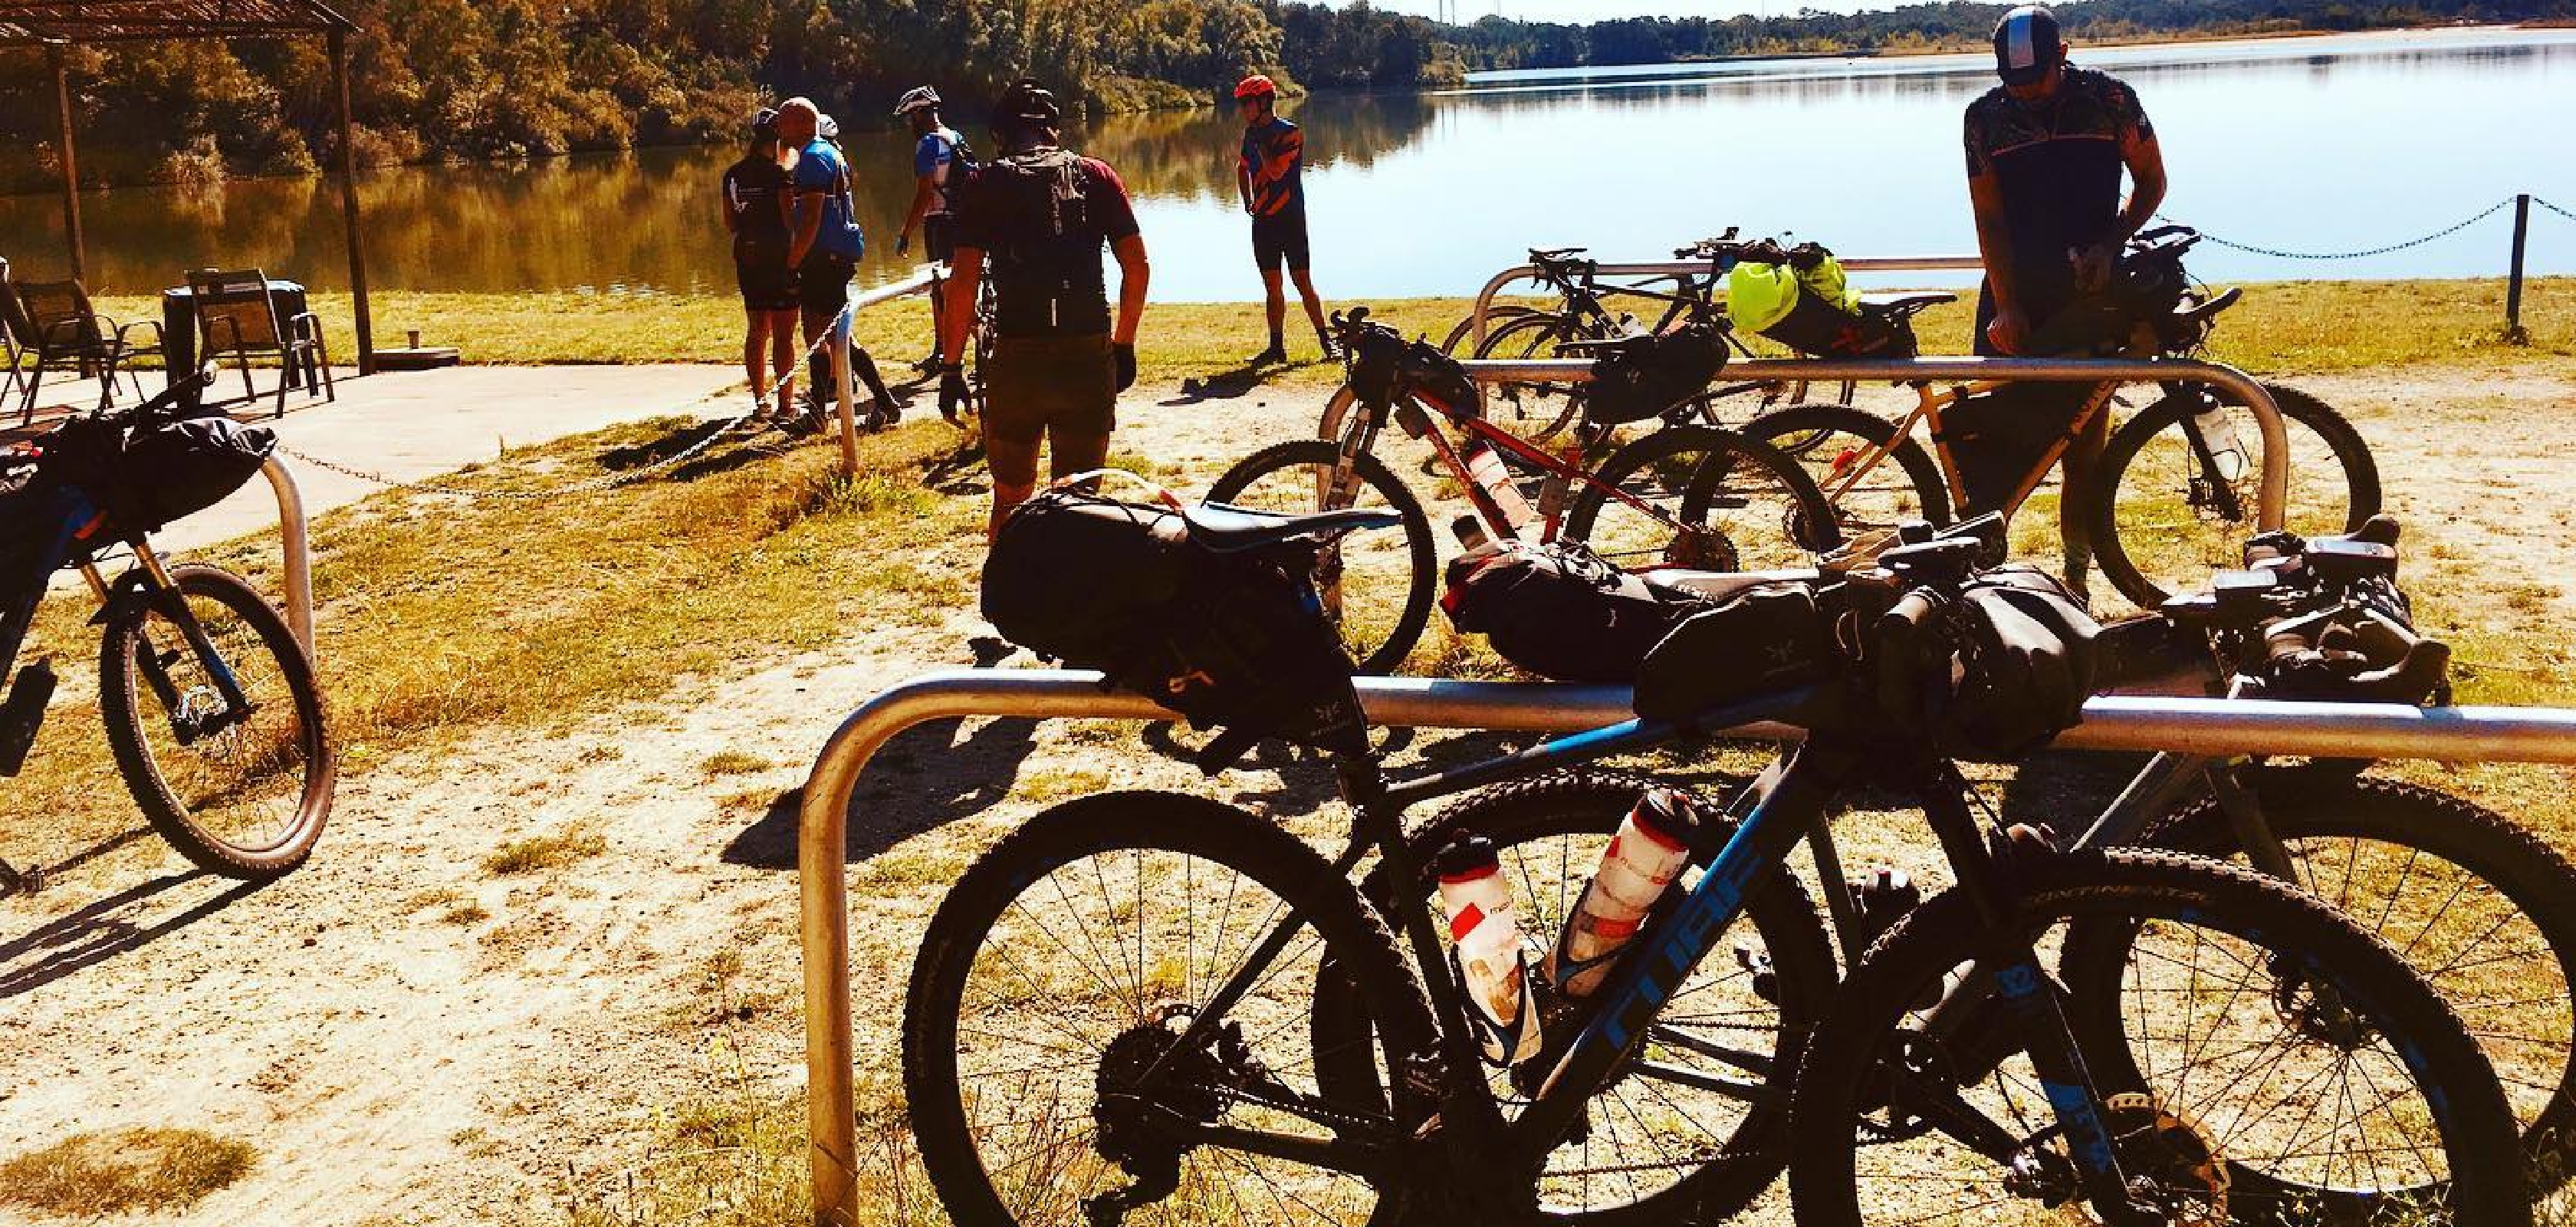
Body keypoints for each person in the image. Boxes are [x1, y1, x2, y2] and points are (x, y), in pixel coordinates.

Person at [1963, 4, 2166, 592]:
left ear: (2065, 54)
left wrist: (2111, 242)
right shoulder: (1983, 119)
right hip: (2014, 298)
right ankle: (1982, 584)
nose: (2027, 94)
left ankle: (2075, 581)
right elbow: (1990, 219)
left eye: (2039, 80)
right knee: (1998, 448)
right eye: (2015, 83)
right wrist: (2006, 304)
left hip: (2090, 299)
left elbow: (2151, 181)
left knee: (2083, 451)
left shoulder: (2112, 102)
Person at [935, 78, 1150, 537]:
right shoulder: (1097, 176)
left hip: (1017, 359)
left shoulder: (984, 183)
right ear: (1053, 129)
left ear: (1001, 135)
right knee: (1079, 502)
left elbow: (963, 284)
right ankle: (1075, 605)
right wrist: (1124, 345)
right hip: (1086, 355)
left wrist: (951, 367)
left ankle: (1004, 603)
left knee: (1011, 499)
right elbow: (1137, 267)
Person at [776, 98, 899, 432]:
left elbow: (812, 220)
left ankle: (883, 404)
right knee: (820, 331)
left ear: (803, 124)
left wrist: (791, 264)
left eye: (784, 122)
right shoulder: (827, 154)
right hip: (830, 254)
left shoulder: (815, 159)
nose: (778, 128)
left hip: (826, 256)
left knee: (832, 333)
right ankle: (821, 409)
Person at [1234, 74, 1333, 367]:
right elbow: (1241, 168)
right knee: (1272, 286)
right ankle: (1276, 347)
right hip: (1263, 221)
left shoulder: (1290, 134)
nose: (1243, 109)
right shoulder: (1249, 136)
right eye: (1241, 104)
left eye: (1247, 103)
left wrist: (1260, 143)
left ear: (1264, 103)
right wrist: (1247, 199)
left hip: (1290, 219)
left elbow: (1276, 171)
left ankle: (1326, 342)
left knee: (1302, 281)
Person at [721, 108, 798, 425]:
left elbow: (729, 224)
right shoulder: (780, 175)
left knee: (756, 331)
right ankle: (786, 405)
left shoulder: (733, 175)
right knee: (784, 335)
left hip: (748, 257)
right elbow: (790, 219)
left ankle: (760, 403)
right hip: (780, 258)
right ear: (778, 137)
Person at [893, 85, 974, 383]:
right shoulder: (955, 137)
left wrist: (905, 233)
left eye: (909, 119)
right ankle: (948, 349)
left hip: (939, 223)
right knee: (958, 286)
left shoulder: (927, 144)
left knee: (941, 289)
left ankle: (945, 353)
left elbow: (924, 194)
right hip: (963, 220)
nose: (908, 126)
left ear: (918, 115)